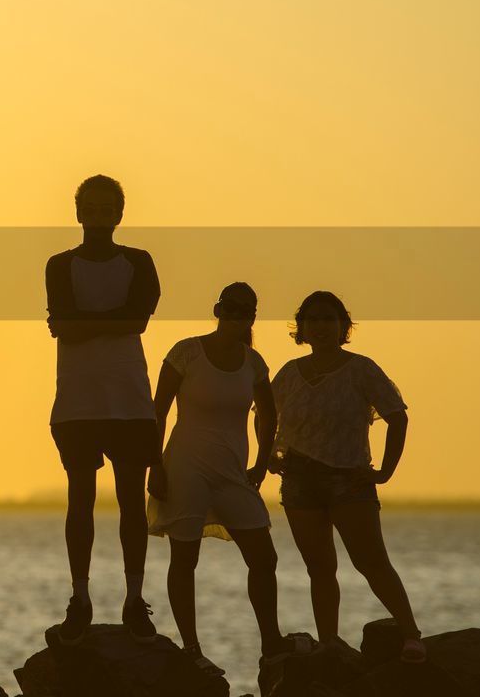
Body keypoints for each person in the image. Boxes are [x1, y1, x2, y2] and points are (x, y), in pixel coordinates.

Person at [147, 283, 305, 676]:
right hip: (185, 466)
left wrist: (262, 460)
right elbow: (158, 411)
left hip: (232, 472)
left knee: (264, 556)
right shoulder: (186, 352)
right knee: (185, 557)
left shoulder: (254, 363)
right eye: (229, 308)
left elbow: (267, 416)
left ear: (252, 316)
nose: (236, 316)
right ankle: (191, 648)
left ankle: (272, 642)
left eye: (245, 311)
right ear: (217, 310)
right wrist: (155, 466)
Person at [270, 291, 425, 663]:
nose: (321, 326)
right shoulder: (289, 373)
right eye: (313, 319)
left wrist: (384, 472)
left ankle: (411, 636)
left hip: (349, 479)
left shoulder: (361, 369)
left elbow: (397, 416)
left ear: (343, 326)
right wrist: (268, 458)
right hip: (299, 480)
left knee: (371, 561)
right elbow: (266, 419)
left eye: (329, 319)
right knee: (320, 568)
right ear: (301, 327)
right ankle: (328, 642)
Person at [46, 174, 161, 644]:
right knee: (81, 501)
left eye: (105, 209)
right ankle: (81, 599)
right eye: (88, 209)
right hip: (76, 401)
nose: (96, 217)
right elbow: (69, 325)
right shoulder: (59, 264)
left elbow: (137, 319)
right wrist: (112, 322)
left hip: (130, 399)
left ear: (119, 214)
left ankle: (134, 600)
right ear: (78, 213)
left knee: (132, 502)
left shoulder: (139, 261)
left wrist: (80, 323)